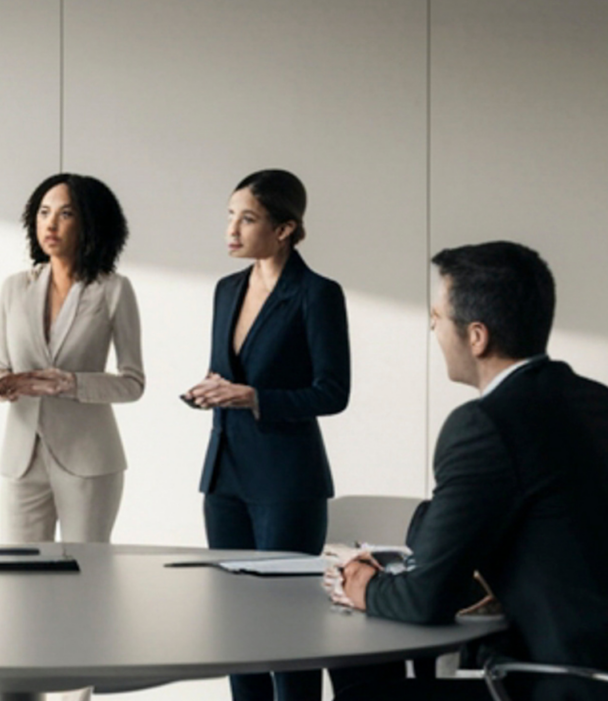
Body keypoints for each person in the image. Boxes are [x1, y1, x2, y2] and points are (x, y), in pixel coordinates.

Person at [333, 242, 608, 701]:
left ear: (477, 336)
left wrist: (361, 581)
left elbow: (424, 599)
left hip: (556, 684)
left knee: (361, 691)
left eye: (437, 317)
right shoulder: (596, 401)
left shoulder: (486, 423)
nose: (432, 326)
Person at [183, 169, 350, 701]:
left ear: (285, 229)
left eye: (247, 218)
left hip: (286, 480)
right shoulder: (226, 289)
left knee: (288, 633)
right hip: (225, 475)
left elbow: (332, 392)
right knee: (236, 631)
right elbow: (228, 372)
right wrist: (211, 390)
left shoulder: (317, 294)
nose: (232, 229)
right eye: (230, 215)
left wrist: (255, 397)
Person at [0, 173, 143, 545]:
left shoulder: (113, 290)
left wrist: (72, 384)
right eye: (43, 212)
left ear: (91, 222)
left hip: (89, 459)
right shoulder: (14, 288)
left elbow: (133, 382)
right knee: (19, 578)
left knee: (87, 576)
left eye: (66, 213)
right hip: (22, 458)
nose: (50, 224)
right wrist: (3, 384)